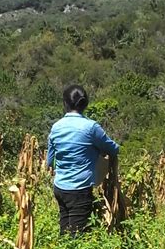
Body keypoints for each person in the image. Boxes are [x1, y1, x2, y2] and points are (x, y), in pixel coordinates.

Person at [47, 85, 119, 236]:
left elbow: (50, 160)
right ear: (85, 104)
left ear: (65, 103)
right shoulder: (90, 127)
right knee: (77, 235)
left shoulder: (56, 127)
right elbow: (113, 149)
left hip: (60, 187)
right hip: (79, 189)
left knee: (65, 229)